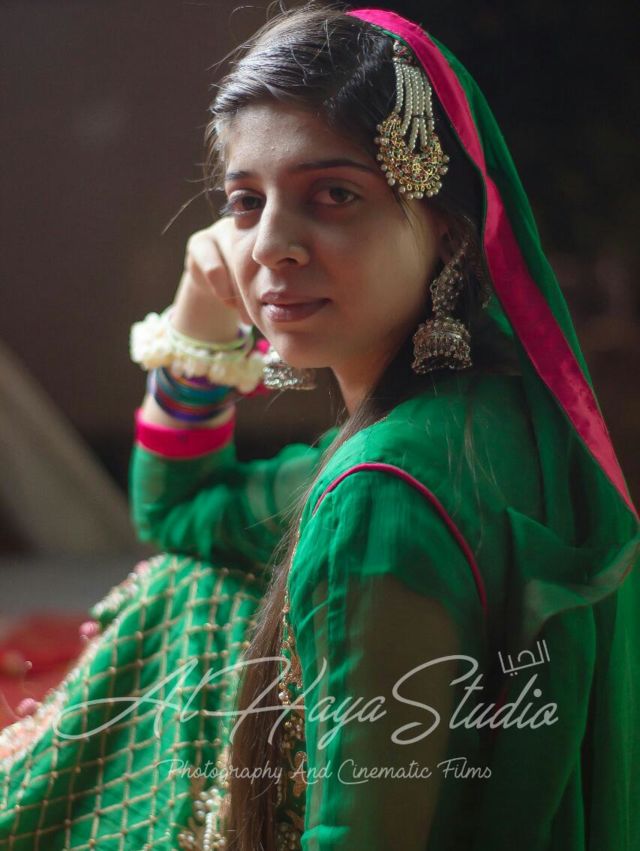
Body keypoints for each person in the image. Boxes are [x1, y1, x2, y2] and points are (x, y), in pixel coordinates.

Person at [1, 4, 638, 850]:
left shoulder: (378, 496)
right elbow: (183, 507)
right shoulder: (490, 404)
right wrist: (199, 309)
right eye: (244, 201)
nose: (270, 245)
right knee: (199, 584)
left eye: (334, 194)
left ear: (447, 231)